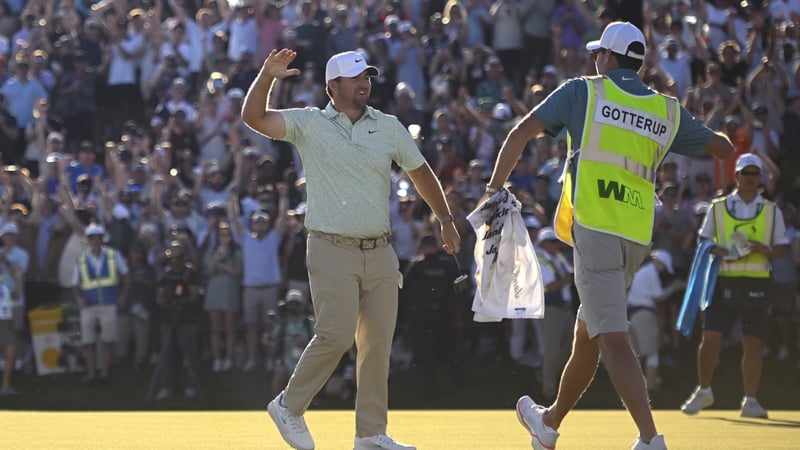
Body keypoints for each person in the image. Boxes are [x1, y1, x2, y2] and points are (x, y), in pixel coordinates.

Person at [483, 22, 734, 450]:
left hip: (596, 227)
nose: (594, 58)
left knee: (613, 339)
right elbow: (723, 149)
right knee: (588, 335)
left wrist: (493, 191)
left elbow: (520, 131)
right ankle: (549, 423)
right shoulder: (667, 111)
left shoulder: (584, 91)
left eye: (598, 53)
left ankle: (650, 439)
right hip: (635, 238)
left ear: (610, 58)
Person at [241, 49, 461, 450]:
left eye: (367, 77)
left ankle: (370, 433)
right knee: (336, 334)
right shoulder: (309, 122)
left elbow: (420, 172)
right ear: (333, 86)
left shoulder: (388, 126)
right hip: (330, 247)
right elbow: (254, 118)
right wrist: (267, 77)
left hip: (380, 252)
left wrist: (444, 219)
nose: (365, 83)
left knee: (376, 345)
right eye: (356, 77)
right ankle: (289, 405)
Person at [680, 153, 789, 419]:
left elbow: (782, 248)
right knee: (710, 336)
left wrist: (764, 250)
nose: (750, 178)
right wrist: (717, 250)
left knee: (752, 342)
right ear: (736, 176)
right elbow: (704, 240)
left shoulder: (772, 210)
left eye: (754, 173)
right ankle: (704, 390)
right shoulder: (717, 207)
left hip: (757, 281)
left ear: (760, 177)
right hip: (723, 279)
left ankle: (750, 400)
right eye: (745, 173)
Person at [72, 223, 130, 386]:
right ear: (88, 240)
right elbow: (75, 283)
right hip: (88, 305)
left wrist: (123, 295)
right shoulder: (81, 259)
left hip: (108, 303)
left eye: (98, 238)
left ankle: (104, 374)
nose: (95, 241)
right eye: (92, 238)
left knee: (108, 340)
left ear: (102, 239)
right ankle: (92, 375)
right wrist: (78, 298)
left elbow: (126, 274)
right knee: (88, 342)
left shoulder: (113, 255)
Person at [626, 250, 685, 395]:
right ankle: (651, 387)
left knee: (636, 353)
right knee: (652, 353)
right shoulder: (651, 273)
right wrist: (673, 288)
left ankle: (631, 387)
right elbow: (658, 296)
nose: (663, 270)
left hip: (632, 313)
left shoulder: (643, 271)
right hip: (644, 314)